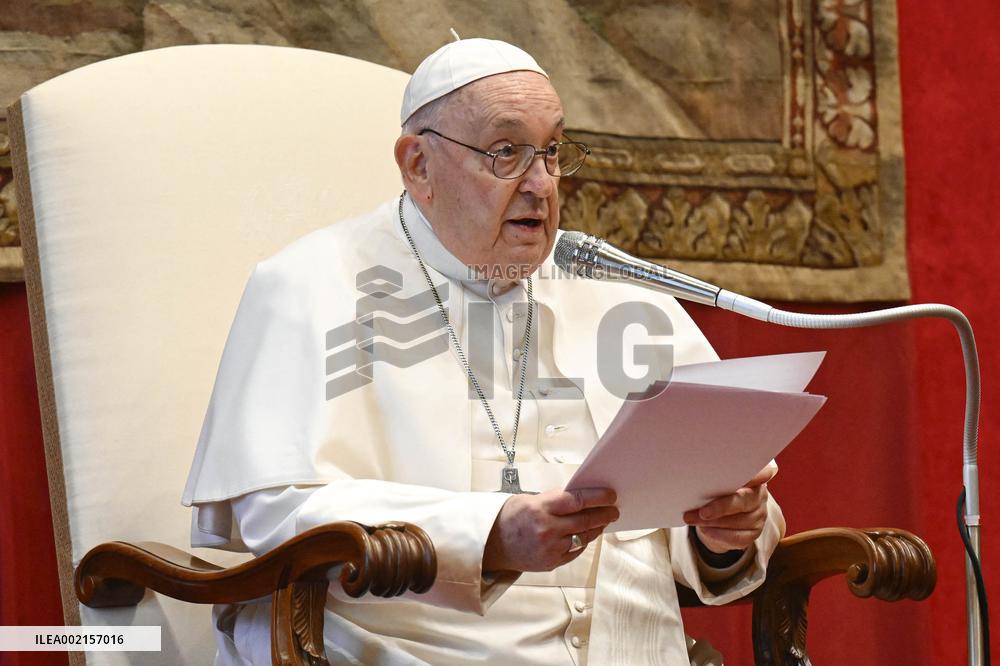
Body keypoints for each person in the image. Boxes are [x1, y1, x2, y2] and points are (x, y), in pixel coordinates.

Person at [183, 38, 784, 665]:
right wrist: (492, 534)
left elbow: (726, 513)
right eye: (506, 153)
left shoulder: (619, 294)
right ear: (418, 166)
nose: (542, 184)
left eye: (551, 151)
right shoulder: (311, 284)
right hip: (406, 651)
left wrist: (724, 534)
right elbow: (279, 509)